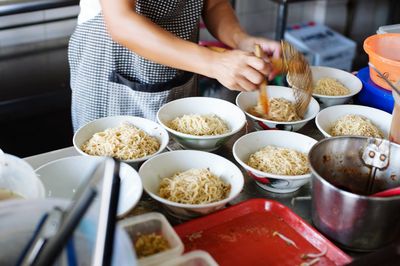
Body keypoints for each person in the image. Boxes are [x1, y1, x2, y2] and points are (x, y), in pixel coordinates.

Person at [69, 0, 281, 131]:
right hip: (112, 67)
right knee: (112, 168)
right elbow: (121, 21)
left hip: (178, 68)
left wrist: (240, 40)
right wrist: (213, 63)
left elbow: (215, 4)